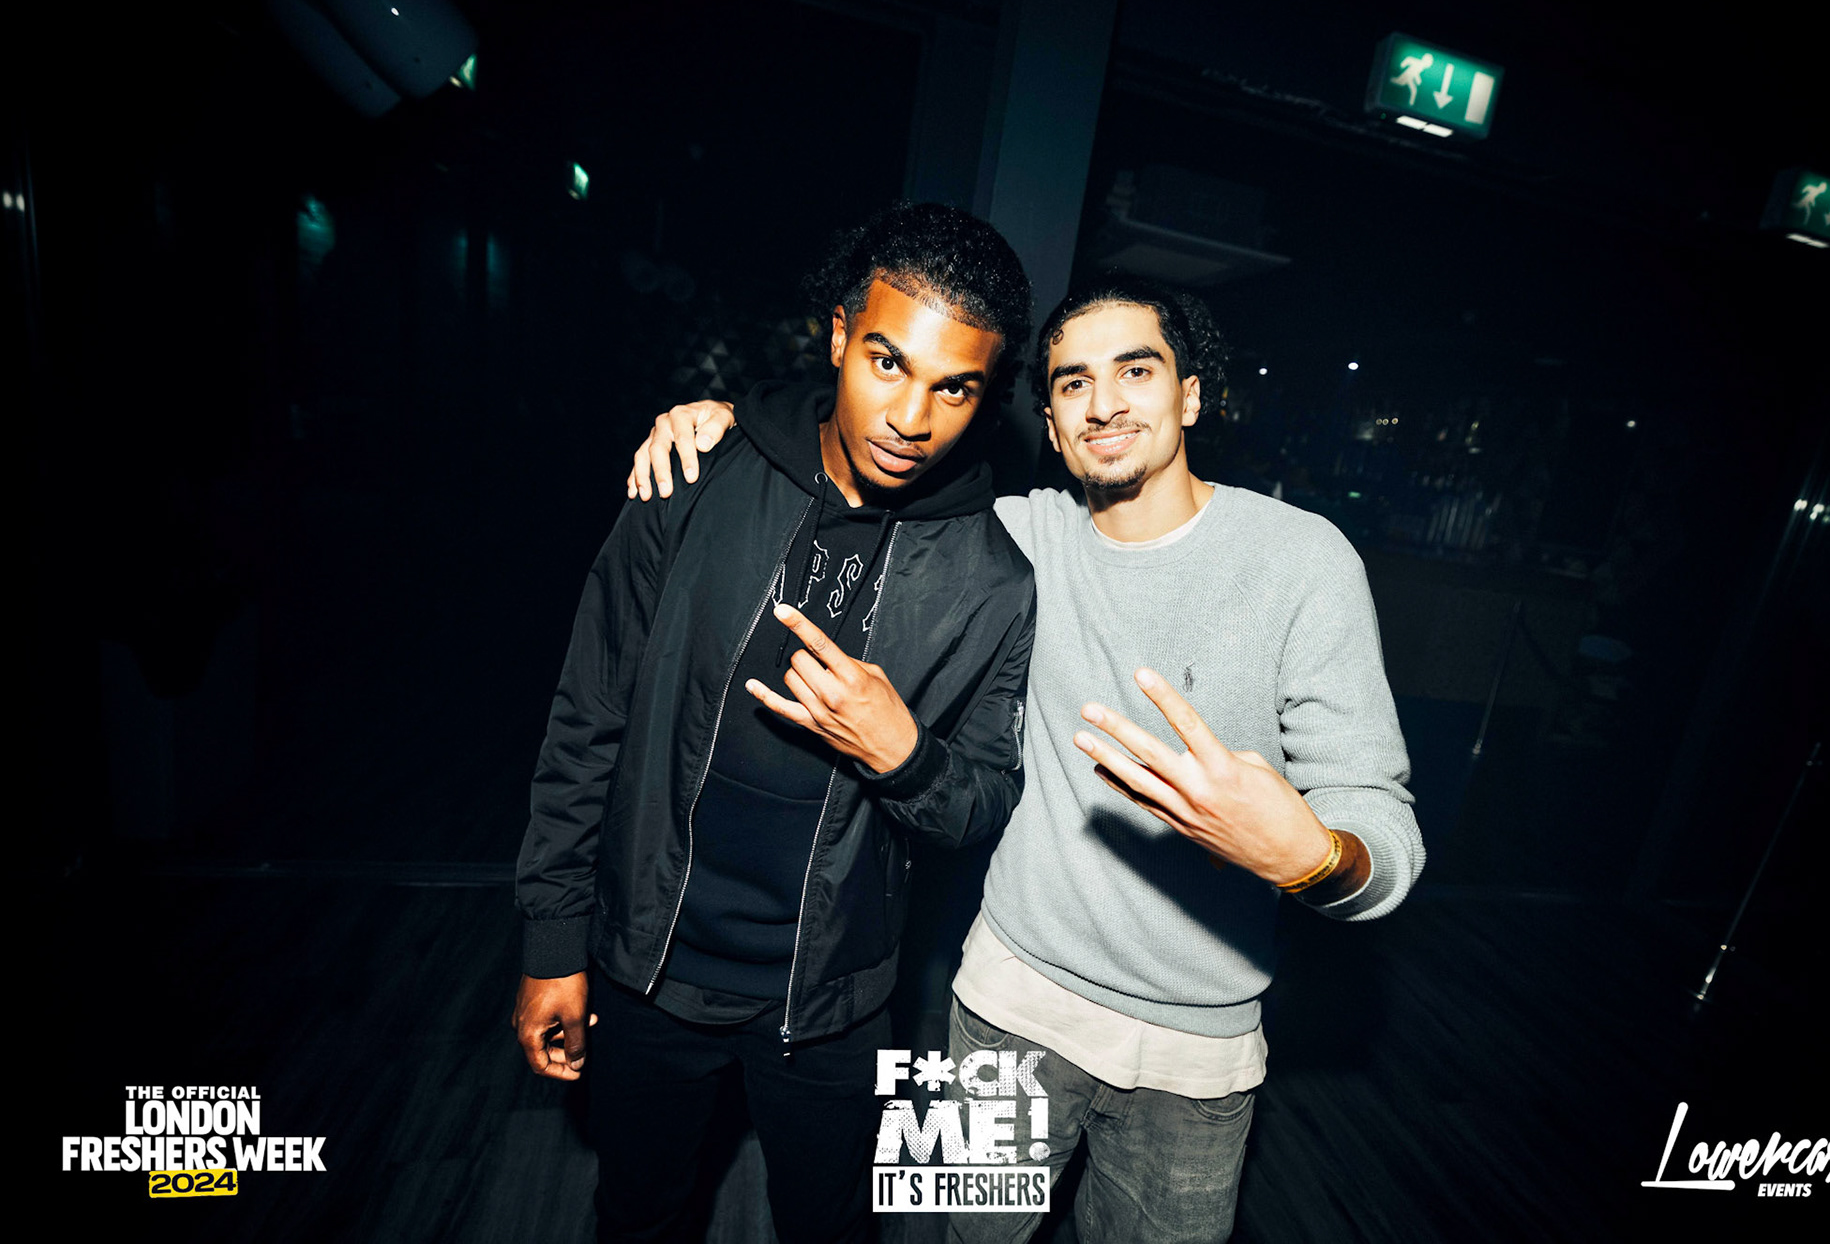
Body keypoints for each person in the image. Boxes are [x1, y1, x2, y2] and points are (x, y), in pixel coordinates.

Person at [628, 273, 1423, 1244]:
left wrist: (1311, 858)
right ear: (1049, 422)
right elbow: (856, 467)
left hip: (1199, 1047)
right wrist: (732, 426)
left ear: (1191, 397)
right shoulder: (1015, 538)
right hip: (1006, 1001)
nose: (1104, 403)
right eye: (1073, 383)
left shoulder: (1304, 559)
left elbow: (1383, 833)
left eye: (1136, 371)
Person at [514, 201, 1038, 1244]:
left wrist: (906, 757)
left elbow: (980, 805)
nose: (912, 416)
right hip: (649, 965)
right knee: (639, 1216)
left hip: (832, 1000)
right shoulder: (692, 475)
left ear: (985, 397)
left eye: (954, 386)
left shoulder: (994, 581)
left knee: (830, 1228)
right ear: (839, 335)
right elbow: (587, 718)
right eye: (888, 362)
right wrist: (552, 939)